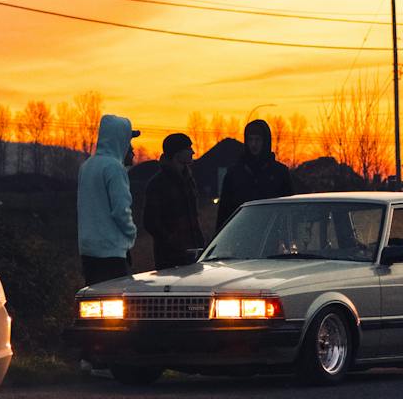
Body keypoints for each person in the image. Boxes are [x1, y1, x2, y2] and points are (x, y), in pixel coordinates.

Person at [78, 113, 139, 285]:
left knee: (95, 297)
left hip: (88, 250)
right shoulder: (114, 168)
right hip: (111, 252)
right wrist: (131, 233)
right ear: (119, 141)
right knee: (116, 297)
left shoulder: (87, 166)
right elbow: (121, 210)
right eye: (128, 142)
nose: (131, 148)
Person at [217, 118, 294, 230]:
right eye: (250, 140)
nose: (254, 144)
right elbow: (224, 211)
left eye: (257, 140)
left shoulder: (279, 173)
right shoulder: (234, 174)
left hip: (272, 232)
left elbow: (289, 209)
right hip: (241, 232)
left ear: (265, 141)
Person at [142, 131, 204, 268]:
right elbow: (150, 222)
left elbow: (194, 216)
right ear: (177, 153)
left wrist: (200, 243)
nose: (192, 152)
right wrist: (172, 242)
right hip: (169, 258)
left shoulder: (189, 181)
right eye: (188, 148)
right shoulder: (158, 184)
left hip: (195, 253)